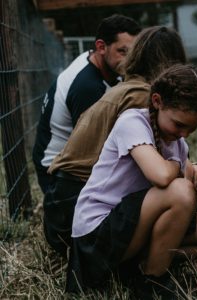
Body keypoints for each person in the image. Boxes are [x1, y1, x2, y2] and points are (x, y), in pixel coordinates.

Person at [66, 64, 197, 299]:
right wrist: (180, 165)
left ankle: (149, 262)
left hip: (134, 228)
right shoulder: (132, 122)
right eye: (179, 124)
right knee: (182, 191)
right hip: (98, 235)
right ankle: (151, 282)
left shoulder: (177, 142)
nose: (184, 134)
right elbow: (161, 176)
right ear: (157, 101)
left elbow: (183, 211)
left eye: (193, 128)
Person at [42, 26, 188, 257]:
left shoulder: (127, 87)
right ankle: (147, 268)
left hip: (62, 201)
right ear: (174, 62)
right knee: (178, 198)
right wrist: (180, 166)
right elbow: (157, 174)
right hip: (76, 213)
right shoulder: (142, 97)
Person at [32, 14, 141, 194]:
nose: (130, 60)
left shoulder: (93, 61)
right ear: (101, 47)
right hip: (57, 176)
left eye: (133, 53)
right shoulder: (88, 88)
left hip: (64, 164)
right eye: (123, 52)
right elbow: (93, 148)